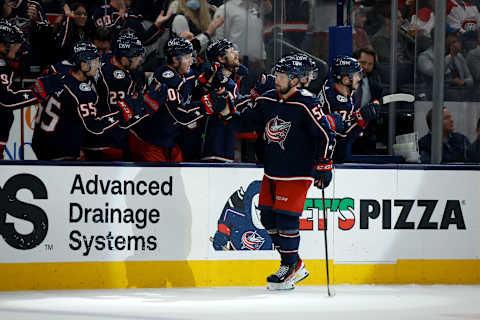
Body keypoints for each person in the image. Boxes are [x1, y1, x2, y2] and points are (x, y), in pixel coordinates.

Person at [229, 55, 338, 290]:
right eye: (276, 75)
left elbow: (327, 135)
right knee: (267, 216)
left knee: (286, 218)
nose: (276, 80)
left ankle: (290, 265)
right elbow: (246, 121)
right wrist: (228, 111)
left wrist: (324, 165)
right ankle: (293, 263)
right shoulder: (269, 99)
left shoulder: (307, 103)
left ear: (296, 81)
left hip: (297, 172)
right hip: (273, 169)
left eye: (281, 77)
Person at [31, 41, 146, 160]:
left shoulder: (60, 73)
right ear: (83, 65)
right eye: (95, 61)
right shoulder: (83, 93)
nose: (98, 65)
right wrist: (121, 112)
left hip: (40, 140)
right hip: (60, 151)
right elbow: (94, 126)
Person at [128, 37, 232, 162]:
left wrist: (211, 79)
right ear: (175, 59)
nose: (191, 61)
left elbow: (196, 90)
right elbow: (181, 114)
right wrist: (208, 103)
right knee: (157, 179)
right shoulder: (166, 78)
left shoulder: (187, 73)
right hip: (149, 141)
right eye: (187, 57)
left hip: (169, 141)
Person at [83, 33, 145, 161]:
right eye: (136, 55)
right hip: (107, 141)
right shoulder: (117, 79)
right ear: (124, 57)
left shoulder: (106, 59)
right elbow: (126, 114)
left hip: (92, 135)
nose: (140, 58)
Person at [318, 55, 380, 162]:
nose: (359, 79)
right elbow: (342, 136)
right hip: (326, 158)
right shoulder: (335, 100)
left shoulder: (334, 91)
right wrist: (362, 119)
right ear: (346, 79)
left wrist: (359, 117)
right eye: (356, 75)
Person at [0, 19, 38, 159]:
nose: (17, 48)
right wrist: (38, 93)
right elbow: (7, 99)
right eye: (12, 44)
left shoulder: (5, 65)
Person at [352, 48, 383, 155]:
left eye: (370, 64)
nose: (366, 67)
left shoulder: (375, 86)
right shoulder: (344, 82)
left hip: (365, 137)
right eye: (363, 63)